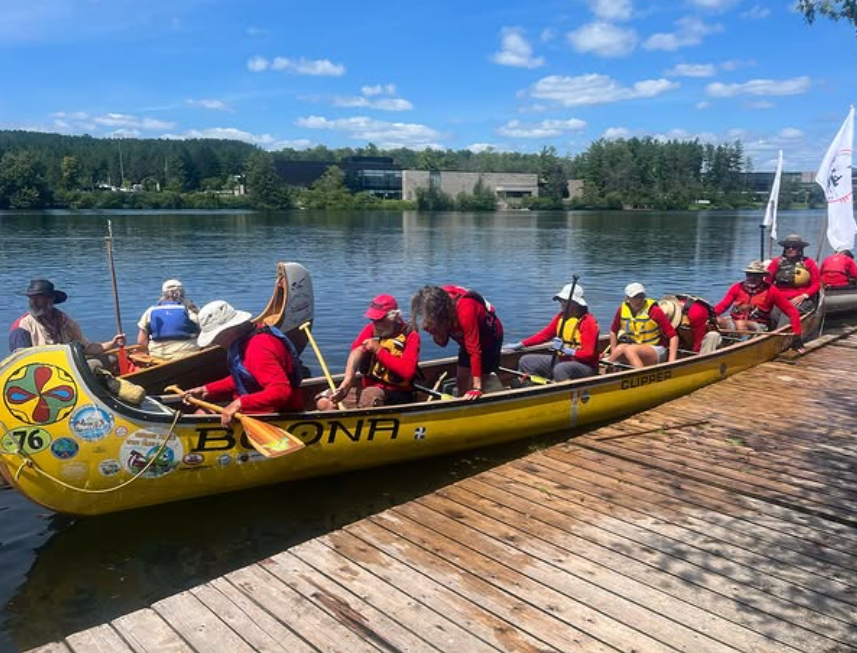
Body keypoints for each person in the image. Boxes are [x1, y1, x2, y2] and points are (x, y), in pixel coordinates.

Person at [182, 300, 304, 426]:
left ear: (228, 331)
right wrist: (207, 389)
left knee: (201, 414)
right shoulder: (247, 340)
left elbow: (281, 391)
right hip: (259, 405)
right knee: (203, 412)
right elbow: (245, 377)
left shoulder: (258, 348)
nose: (216, 343)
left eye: (216, 338)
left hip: (277, 410)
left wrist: (240, 403)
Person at [316, 294, 421, 410]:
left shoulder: (410, 335)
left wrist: (378, 350)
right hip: (369, 391)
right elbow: (356, 351)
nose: (375, 324)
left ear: (394, 317)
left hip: (397, 393)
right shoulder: (371, 329)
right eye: (373, 320)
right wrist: (346, 384)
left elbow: (407, 372)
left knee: (371, 395)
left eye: (379, 320)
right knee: (324, 401)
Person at [410, 284, 504, 400]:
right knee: (461, 381)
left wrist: (476, 388)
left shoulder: (466, 308)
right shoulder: (439, 313)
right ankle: (462, 404)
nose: (427, 319)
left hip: (489, 339)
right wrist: (435, 331)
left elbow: (474, 351)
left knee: (474, 384)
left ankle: (487, 395)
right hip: (465, 341)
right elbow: (442, 342)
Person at [503, 283, 599, 381]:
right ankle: (534, 385)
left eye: (565, 301)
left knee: (560, 369)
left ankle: (561, 389)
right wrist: (521, 344)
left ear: (575, 303)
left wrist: (567, 350)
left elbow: (588, 353)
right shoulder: (562, 316)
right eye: (561, 301)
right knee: (526, 361)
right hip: (563, 360)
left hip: (585, 366)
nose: (562, 304)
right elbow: (545, 335)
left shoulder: (587, 322)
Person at [9, 278, 125, 356]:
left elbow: (87, 348)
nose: (34, 302)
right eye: (32, 298)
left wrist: (112, 344)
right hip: (42, 375)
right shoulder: (22, 327)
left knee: (111, 359)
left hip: (68, 370)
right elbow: (21, 362)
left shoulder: (67, 323)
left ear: (51, 299)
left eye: (39, 298)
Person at [714, 260, 805, 352]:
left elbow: (791, 311)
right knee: (717, 321)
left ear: (763, 277)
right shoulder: (737, 287)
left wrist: (797, 334)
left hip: (759, 326)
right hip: (735, 322)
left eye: (756, 275)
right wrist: (709, 315)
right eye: (749, 275)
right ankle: (722, 344)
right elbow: (722, 306)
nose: (752, 278)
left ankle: (741, 349)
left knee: (741, 324)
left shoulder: (771, 290)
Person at [604, 282, 678, 368]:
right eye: (635, 297)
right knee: (620, 348)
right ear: (627, 298)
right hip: (635, 348)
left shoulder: (654, 311)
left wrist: (671, 361)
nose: (639, 300)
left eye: (641, 296)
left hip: (656, 350)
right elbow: (613, 331)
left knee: (629, 349)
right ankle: (607, 369)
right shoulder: (622, 310)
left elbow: (673, 336)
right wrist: (613, 352)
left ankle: (641, 373)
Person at [136, 279, 201, 361]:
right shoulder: (190, 310)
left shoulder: (150, 311)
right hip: (186, 355)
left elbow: (141, 341)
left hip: (156, 356)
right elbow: (204, 332)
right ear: (182, 293)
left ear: (163, 294)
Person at [766, 234, 820, 312]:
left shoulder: (809, 262)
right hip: (779, 297)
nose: (790, 249)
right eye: (787, 247)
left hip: (801, 299)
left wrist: (803, 296)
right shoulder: (776, 262)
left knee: (791, 312)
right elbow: (767, 282)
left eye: (794, 247)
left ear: (800, 248)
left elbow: (816, 284)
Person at [657, 294, 721, 354]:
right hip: (685, 339)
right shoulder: (663, 309)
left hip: (704, 339)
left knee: (713, 335)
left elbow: (698, 343)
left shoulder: (696, 313)